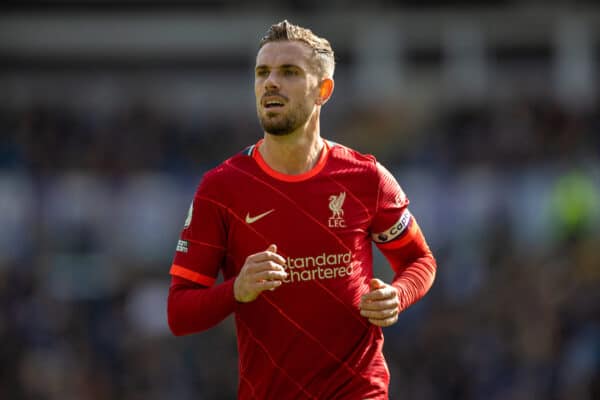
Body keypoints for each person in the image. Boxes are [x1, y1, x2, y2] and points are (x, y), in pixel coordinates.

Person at [167, 20, 437, 399]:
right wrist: (236, 290)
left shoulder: (366, 177)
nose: (271, 82)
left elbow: (419, 260)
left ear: (322, 90)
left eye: (289, 72)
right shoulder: (221, 188)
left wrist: (398, 294)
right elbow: (179, 313)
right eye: (263, 72)